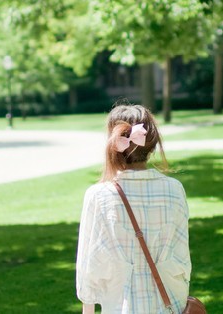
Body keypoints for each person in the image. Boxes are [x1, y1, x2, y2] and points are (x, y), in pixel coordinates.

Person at [76, 104, 191, 314]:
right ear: (152, 144)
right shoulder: (174, 190)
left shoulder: (98, 195)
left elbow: (89, 267)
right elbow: (182, 258)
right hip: (169, 304)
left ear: (113, 143)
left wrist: (88, 310)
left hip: (120, 305)